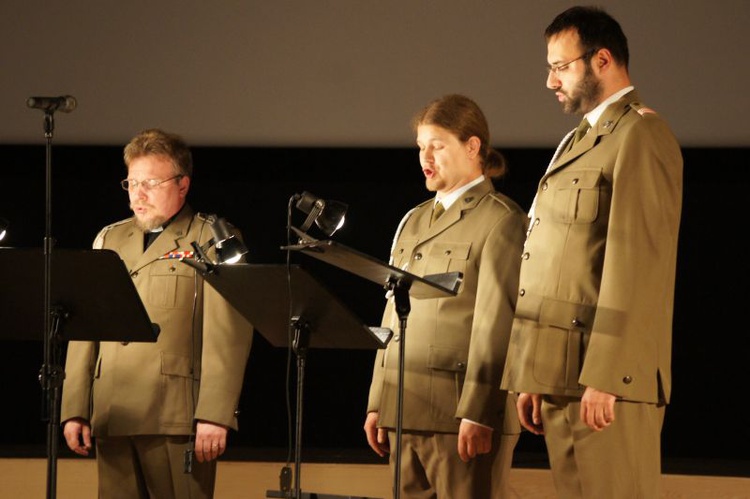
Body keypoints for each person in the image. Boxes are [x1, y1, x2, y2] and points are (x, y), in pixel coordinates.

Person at [501, 6, 683, 498]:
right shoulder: (576, 141)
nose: (550, 81)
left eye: (560, 67)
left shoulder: (640, 134)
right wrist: (534, 371)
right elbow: (557, 262)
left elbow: (638, 265)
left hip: (605, 380)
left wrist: (609, 375)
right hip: (562, 375)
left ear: (602, 60)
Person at [61, 128, 254, 499]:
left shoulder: (214, 238)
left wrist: (215, 413)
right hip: (113, 409)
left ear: (182, 185)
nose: (139, 194)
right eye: (132, 183)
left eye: (151, 182)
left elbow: (227, 336)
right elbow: (86, 327)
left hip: (174, 413)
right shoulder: (109, 239)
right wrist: (75, 406)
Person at [364, 94, 527, 498]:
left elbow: (497, 324)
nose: (426, 157)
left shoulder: (501, 220)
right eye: (421, 147)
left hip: (460, 414)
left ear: (473, 147)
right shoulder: (413, 220)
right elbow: (391, 315)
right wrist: (378, 400)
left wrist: (479, 412)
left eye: (437, 145)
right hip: (406, 406)